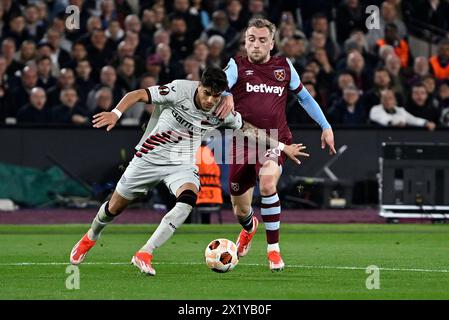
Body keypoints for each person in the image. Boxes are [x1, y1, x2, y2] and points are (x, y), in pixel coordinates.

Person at [69, 67, 308, 276]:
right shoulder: (178, 90)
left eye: (215, 96)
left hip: (181, 163)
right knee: (114, 208)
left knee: (187, 200)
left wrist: (282, 146)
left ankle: (145, 253)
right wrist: (116, 113)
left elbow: (248, 129)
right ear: (199, 86)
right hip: (149, 158)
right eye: (206, 93)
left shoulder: (221, 110)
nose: (209, 101)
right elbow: (138, 94)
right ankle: (91, 236)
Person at [216, 18, 336, 272]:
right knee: (240, 208)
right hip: (242, 141)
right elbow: (223, 82)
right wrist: (226, 94)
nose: (256, 45)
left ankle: (273, 251)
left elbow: (304, 98)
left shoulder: (284, 67)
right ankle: (249, 228)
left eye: (262, 40)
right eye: (251, 40)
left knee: (268, 183)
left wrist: (325, 126)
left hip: (275, 137)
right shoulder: (237, 65)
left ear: (272, 43)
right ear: (245, 42)